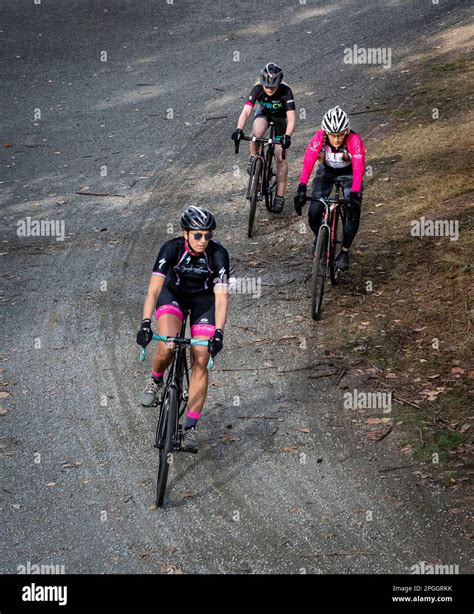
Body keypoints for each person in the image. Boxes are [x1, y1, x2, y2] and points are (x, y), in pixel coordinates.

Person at [136, 206, 229, 452]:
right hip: (172, 295)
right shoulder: (171, 248)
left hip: (203, 302)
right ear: (185, 233)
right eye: (197, 235)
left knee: (201, 357)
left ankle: (190, 428)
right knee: (168, 345)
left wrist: (219, 332)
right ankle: (155, 380)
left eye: (208, 235)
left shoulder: (218, 254)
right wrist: (145, 322)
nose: (203, 241)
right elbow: (154, 290)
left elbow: (221, 298)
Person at [294, 106, 366, 270]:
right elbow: (308, 162)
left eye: (340, 135)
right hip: (326, 172)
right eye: (333, 135)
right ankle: (320, 239)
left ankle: (344, 252)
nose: (336, 140)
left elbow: (358, 168)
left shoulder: (354, 140)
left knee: (353, 213)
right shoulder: (320, 137)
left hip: (349, 174)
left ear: (346, 131)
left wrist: (354, 193)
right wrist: (301, 187)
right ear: (325, 132)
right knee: (313, 213)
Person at [231, 62, 296, 213]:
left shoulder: (286, 92)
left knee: (280, 156)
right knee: (256, 135)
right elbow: (246, 111)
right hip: (264, 114)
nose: (269, 89)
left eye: (273, 87)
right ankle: (254, 159)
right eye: (266, 86)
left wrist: (287, 136)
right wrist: (239, 129)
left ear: (279, 83)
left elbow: (291, 118)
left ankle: (280, 195)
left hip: (280, 119)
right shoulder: (257, 89)